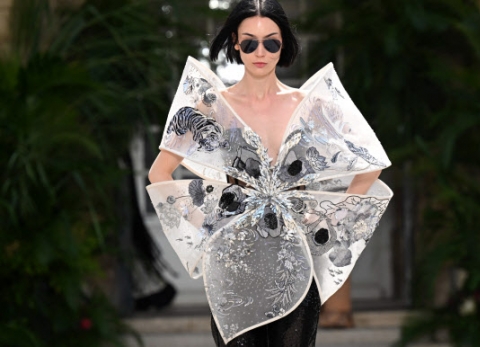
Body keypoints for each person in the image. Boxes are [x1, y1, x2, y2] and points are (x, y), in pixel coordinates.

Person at [147, 0, 393, 346]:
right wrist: (206, 221)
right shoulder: (210, 106)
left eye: (271, 42)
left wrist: (327, 219)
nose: (259, 51)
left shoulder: (310, 105)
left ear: (284, 44)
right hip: (234, 262)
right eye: (249, 42)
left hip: (296, 263)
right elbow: (160, 173)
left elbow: (371, 162)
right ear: (235, 42)